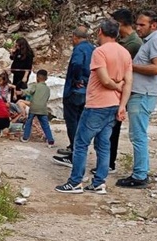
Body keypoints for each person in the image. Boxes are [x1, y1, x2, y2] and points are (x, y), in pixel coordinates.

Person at [55, 19, 133, 194]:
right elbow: (129, 82)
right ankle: (99, 182)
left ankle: (75, 182)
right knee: (104, 145)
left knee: (81, 143)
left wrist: (115, 85)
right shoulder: (125, 53)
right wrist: (122, 105)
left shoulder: (100, 52)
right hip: (114, 104)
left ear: (100, 32)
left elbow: (104, 80)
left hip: (97, 104)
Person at [116, 10, 157, 189]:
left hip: (143, 94)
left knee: (138, 135)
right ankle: (141, 171)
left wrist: (130, 66)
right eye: (137, 24)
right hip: (141, 93)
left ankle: (139, 176)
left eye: (142, 25)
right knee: (138, 134)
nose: (138, 28)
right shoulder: (151, 41)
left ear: (153, 25)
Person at [99, 8, 143, 175]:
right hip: (115, 88)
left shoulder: (133, 44)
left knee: (112, 128)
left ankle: (109, 163)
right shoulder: (125, 42)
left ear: (120, 23)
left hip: (119, 89)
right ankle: (107, 162)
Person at [52, 26, 95, 167]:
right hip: (87, 91)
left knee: (72, 122)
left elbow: (76, 63)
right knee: (81, 122)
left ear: (75, 37)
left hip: (74, 91)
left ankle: (74, 155)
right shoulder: (92, 48)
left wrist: (77, 79)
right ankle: (76, 150)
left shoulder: (79, 49)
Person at [18, 69, 55, 147]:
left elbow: (28, 92)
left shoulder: (35, 86)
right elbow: (47, 98)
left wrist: (21, 92)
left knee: (29, 122)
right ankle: (50, 141)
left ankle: (25, 138)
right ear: (46, 78)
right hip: (43, 109)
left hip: (34, 107)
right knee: (45, 125)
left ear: (37, 78)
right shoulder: (47, 89)